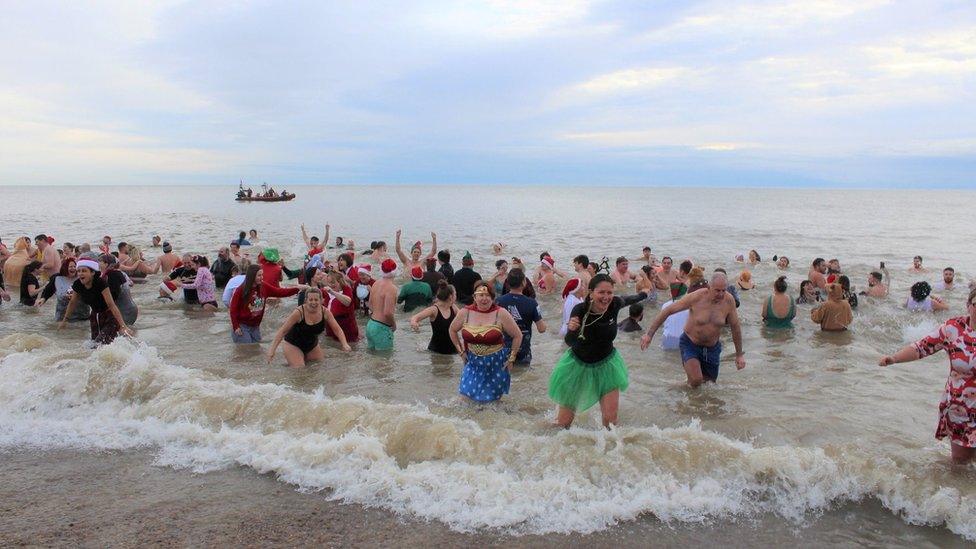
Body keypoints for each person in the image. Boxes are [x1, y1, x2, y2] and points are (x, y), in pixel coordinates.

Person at [878, 288, 976, 462]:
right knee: (961, 463)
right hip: (962, 408)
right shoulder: (953, 329)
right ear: (969, 306)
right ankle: (950, 490)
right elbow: (921, 348)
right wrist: (894, 358)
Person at [550, 274, 647, 427]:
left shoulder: (615, 304)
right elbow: (570, 341)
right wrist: (572, 329)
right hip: (577, 365)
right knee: (563, 424)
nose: (606, 297)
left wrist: (644, 293)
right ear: (591, 292)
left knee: (610, 422)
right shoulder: (580, 310)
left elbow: (630, 299)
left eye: (609, 292)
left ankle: (609, 449)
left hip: (607, 365)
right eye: (601, 292)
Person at [641, 272, 745, 387]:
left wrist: (739, 354)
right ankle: (686, 394)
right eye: (717, 290)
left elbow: (735, 327)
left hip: (712, 349)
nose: (721, 294)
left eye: (723, 290)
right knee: (697, 380)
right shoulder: (697, 297)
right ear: (709, 287)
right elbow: (668, 311)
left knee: (709, 385)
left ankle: (683, 389)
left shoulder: (729, 301)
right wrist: (649, 335)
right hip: (690, 344)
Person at [449, 281, 523, 403]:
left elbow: (517, 336)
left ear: (493, 298)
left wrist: (511, 359)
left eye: (488, 295)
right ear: (474, 297)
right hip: (473, 362)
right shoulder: (465, 312)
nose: (484, 299)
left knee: (491, 405)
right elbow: (452, 330)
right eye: (481, 295)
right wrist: (461, 352)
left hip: (495, 364)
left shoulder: (501, 313)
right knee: (465, 399)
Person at [267, 289, 350, 368]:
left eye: (316, 300)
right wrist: (272, 350)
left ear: (321, 300)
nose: (313, 302)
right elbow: (282, 331)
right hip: (293, 344)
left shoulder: (325, 312)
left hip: (311, 345)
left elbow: (337, 330)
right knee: (300, 369)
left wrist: (344, 344)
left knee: (319, 366)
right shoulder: (299, 312)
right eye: (310, 300)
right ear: (306, 300)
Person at [59, 259, 133, 345]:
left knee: (101, 343)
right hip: (94, 317)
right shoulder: (78, 284)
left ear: (92, 273)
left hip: (110, 316)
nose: (80, 273)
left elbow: (111, 305)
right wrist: (65, 320)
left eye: (84, 271)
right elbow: (72, 302)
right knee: (93, 344)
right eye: (78, 271)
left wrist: (123, 326)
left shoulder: (101, 283)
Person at [229, 264, 304, 343]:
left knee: (255, 351)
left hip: (255, 326)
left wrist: (297, 289)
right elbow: (233, 309)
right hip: (242, 326)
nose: (261, 277)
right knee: (246, 350)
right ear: (252, 276)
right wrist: (236, 326)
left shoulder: (263, 286)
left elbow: (280, 292)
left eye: (262, 275)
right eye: (259, 275)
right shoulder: (240, 290)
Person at [495, 269, 546, 365]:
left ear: (508, 283)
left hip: (502, 349)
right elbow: (542, 329)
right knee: (522, 377)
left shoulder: (498, 302)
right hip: (523, 350)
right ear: (524, 283)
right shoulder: (532, 303)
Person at [410, 280, 460, 355]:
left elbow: (465, 319)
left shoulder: (453, 308)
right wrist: (414, 322)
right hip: (436, 351)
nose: (456, 296)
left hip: (453, 350)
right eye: (455, 294)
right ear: (451, 296)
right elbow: (415, 317)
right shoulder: (434, 310)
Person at [35, 258, 91, 322]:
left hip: (82, 316)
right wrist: (43, 299)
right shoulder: (57, 278)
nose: (73, 268)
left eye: (74, 266)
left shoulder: (81, 278)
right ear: (65, 267)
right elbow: (49, 289)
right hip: (62, 317)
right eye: (70, 267)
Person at [366, 258, 399, 351]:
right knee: (385, 362)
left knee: (372, 358)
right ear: (395, 271)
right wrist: (394, 325)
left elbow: (370, 304)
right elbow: (387, 312)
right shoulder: (392, 288)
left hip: (370, 325)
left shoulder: (376, 283)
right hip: (381, 328)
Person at [99, 254, 138, 326]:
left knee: (121, 333)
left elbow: (114, 294)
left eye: (100, 261)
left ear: (106, 264)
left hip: (125, 311)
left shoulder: (112, 275)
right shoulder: (118, 273)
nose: (98, 264)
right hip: (130, 309)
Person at [323, 271, 358, 343]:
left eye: (333, 282)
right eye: (329, 282)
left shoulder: (346, 289)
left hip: (346, 329)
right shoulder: (326, 291)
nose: (330, 285)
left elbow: (348, 302)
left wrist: (332, 292)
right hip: (330, 329)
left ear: (339, 281)